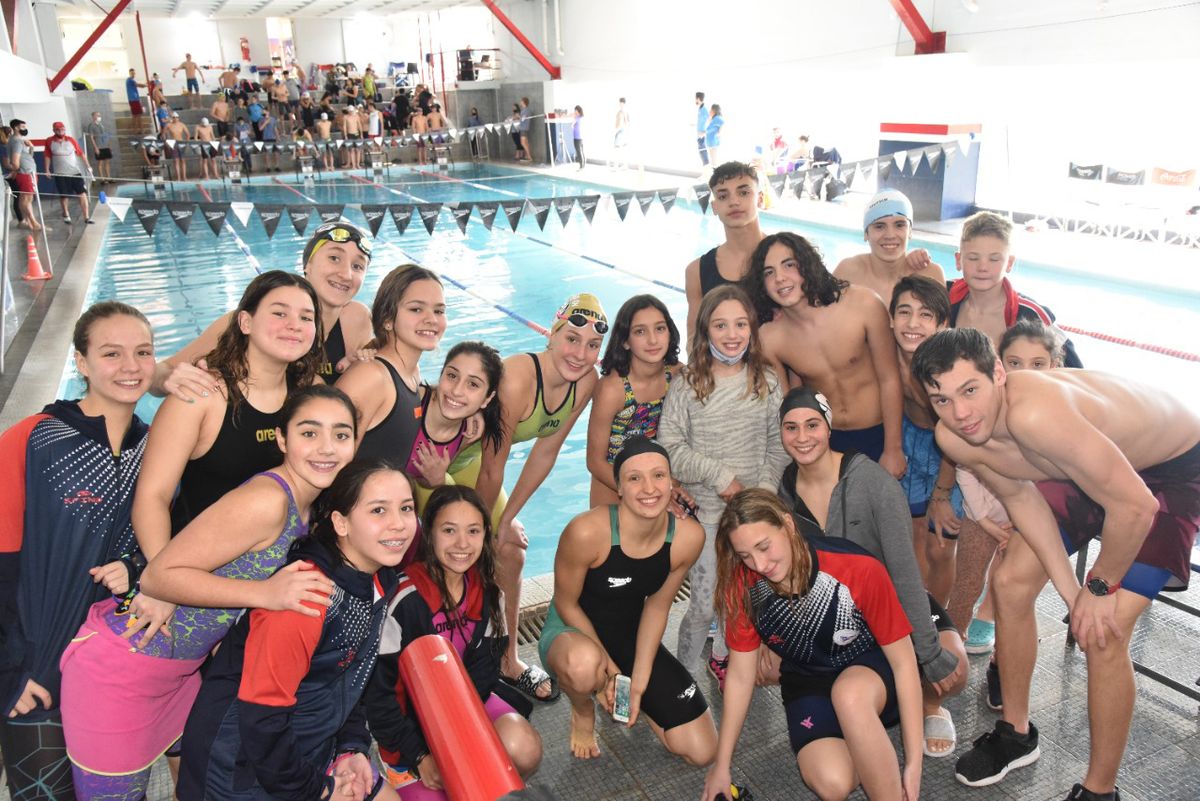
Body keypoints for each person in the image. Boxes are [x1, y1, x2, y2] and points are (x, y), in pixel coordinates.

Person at [910, 329, 1200, 800]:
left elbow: (1134, 506)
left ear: (999, 373)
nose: (960, 413)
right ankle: (1016, 735)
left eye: (970, 390)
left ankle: (1100, 790)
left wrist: (1099, 590)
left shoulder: (1036, 416)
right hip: (1088, 463)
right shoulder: (956, 438)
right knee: (1010, 583)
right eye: (942, 399)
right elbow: (1020, 499)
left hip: (1170, 469)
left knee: (1102, 632)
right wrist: (1072, 595)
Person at [62, 385, 356, 800]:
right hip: (123, 668)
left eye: (341, 435)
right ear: (282, 439)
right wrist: (264, 593)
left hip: (180, 676)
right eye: (309, 433)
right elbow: (159, 577)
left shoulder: (311, 508)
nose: (326, 447)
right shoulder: (267, 501)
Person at [175, 459, 415, 801]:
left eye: (406, 508)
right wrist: (317, 791)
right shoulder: (306, 598)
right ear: (341, 523)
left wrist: (351, 747)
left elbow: (351, 677)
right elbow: (262, 722)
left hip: (308, 750)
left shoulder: (377, 580)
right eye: (379, 510)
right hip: (239, 771)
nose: (399, 524)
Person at [0, 302, 155, 801]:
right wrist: (11, 671)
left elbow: (164, 548)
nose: (130, 366)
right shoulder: (33, 440)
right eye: (111, 353)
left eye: (143, 352)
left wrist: (133, 567)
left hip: (115, 673)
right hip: (40, 673)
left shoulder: (155, 449)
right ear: (81, 362)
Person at [129, 272, 323, 646]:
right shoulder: (202, 396)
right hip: (199, 574)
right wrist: (164, 578)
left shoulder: (311, 398)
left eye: (306, 317)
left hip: (275, 579)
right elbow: (153, 496)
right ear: (245, 322)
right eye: (279, 313)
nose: (294, 325)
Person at [775, 386, 968, 759]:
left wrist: (929, 653)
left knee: (953, 667)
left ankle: (929, 705)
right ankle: (863, 703)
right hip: (836, 616)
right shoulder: (784, 494)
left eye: (812, 425)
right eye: (791, 427)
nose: (802, 437)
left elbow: (904, 574)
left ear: (829, 427)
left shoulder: (873, 482)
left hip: (892, 599)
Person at [701, 490, 923, 801]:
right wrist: (722, 766)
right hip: (809, 678)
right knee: (832, 783)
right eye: (745, 556)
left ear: (788, 525)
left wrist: (913, 762)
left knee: (850, 695)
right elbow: (739, 676)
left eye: (764, 546)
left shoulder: (857, 567)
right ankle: (863, 743)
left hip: (871, 670)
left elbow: (904, 663)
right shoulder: (743, 586)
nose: (760, 564)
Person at [464, 293, 608, 702]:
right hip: (443, 465)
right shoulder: (518, 378)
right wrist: (484, 531)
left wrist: (506, 519)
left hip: (477, 469)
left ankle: (508, 660)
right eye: (572, 339)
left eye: (592, 345)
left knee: (511, 552)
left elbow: (546, 452)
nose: (580, 354)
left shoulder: (587, 382)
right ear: (552, 335)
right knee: (462, 555)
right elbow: (492, 466)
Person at [541, 438, 716, 762]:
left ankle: (631, 699)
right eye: (635, 478)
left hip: (629, 634)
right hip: (572, 631)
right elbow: (566, 604)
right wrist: (612, 672)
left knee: (702, 751)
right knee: (583, 667)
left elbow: (657, 606)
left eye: (658, 475)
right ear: (619, 487)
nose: (649, 488)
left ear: (671, 481)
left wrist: (638, 684)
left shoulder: (688, 537)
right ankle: (583, 710)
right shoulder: (587, 532)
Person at [367, 485, 542, 795]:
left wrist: (462, 743)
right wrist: (421, 755)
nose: (462, 543)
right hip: (408, 730)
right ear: (429, 534)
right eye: (449, 530)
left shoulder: (487, 594)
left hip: (467, 707)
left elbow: (485, 674)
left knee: (523, 747)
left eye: (473, 531)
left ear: (484, 536)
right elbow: (379, 697)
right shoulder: (403, 602)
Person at [657, 284, 789, 684]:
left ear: (752, 328)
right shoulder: (688, 384)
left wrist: (761, 493)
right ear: (705, 331)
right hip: (707, 516)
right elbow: (670, 447)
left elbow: (778, 444)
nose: (732, 334)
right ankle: (682, 676)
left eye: (740, 324)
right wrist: (720, 477)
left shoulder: (765, 380)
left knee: (742, 600)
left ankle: (722, 655)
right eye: (720, 325)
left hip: (752, 513)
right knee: (703, 604)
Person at [745, 232, 907, 478]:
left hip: (879, 431)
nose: (779, 278)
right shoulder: (770, 338)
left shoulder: (863, 304)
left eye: (789, 265)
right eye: (769, 272)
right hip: (825, 441)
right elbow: (790, 405)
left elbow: (890, 378)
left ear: (807, 265)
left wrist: (893, 448)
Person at [153, 221, 375, 398]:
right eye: (334, 258)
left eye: (357, 266)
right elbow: (160, 371)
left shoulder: (356, 319)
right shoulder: (252, 320)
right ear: (307, 264)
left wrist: (368, 358)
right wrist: (166, 380)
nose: (346, 274)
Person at [889, 276, 969, 603]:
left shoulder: (946, 368)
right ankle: (919, 613)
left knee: (940, 546)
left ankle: (939, 619)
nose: (913, 324)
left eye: (925, 315)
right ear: (891, 318)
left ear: (943, 324)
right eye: (904, 312)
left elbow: (956, 437)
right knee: (914, 536)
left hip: (952, 451)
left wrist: (942, 494)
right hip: (910, 438)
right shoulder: (887, 352)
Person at [338, 265, 446, 473]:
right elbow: (331, 461)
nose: (431, 319)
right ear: (387, 319)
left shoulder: (411, 373)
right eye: (416, 309)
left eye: (439, 311)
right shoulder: (371, 377)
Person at [949, 211, 1083, 368]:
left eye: (994, 259)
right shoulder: (943, 295)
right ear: (958, 260)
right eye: (973, 258)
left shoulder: (1032, 315)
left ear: (1009, 263)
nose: (982, 267)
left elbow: (1076, 371)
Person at [586, 294, 684, 507]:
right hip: (614, 485)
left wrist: (666, 486)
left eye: (660, 328)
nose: (653, 340)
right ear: (625, 341)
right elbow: (595, 462)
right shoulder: (613, 389)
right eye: (640, 331)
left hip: (660, 482)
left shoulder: (678, 375)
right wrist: (642, 489)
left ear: (670, 332)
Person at [403, 341, 502, 506]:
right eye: (452, 376)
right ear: (441, 375)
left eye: (473, 384)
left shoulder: (467, 434)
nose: (456, 391)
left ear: (487, 398)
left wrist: (436, 480)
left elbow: (420, 479)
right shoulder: (410, 401)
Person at [682, 161, 765, 343]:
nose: (734, 202)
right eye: (723, 196)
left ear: (760, 199)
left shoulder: (789, 256)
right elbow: (694, 340)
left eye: (743, 193)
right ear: (714, 207)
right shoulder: (697, 271)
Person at [834, 189, 946, 304]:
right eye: (879, 226)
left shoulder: (930, 275)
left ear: (910, 231)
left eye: (899, 225)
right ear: (866, 233)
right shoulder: (848, 272)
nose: (890, 235)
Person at [43, 122, 92, 225]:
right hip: (60, 173)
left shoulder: (71, 140)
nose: (61, 131)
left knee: (82, 193)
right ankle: (66, 213)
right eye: (58, 130)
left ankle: (86, 217)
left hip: (75, 172)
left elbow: (81, 154)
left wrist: (88, 166)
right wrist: (47, 169)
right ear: (54, 130)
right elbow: (47, 156)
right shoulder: (49, 141)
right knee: (64, 195)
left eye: (62, 129)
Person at [6, 119, 42, 232]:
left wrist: (31, 147)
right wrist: (15, 170)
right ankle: (33, 223)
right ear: (16, 128)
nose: (25, 129)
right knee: (26, 198)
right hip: (26, 173)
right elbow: (15, 162)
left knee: (25, 198)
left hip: (27, 171)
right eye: (22, 127)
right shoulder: (17, 142)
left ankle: (28, 222)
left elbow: (27, 157)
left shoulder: (17, 141)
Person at [85, 111, 113, 183]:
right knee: (101, 163)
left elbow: (105, 135)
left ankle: (109, 178)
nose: (99, 117)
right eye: (97, 115)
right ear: (93, 116)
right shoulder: (91, 126)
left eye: (99, 115)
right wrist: (96, 148)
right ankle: (102, 179)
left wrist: (109, 145)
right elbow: (92, 138)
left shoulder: (101, 125)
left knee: (107, 162)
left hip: (105, 145)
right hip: (99, 146)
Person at [162, 111, 191, 181]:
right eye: (174, 117)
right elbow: (163, 134)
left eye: (176, 117)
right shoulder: (169, 125)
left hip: (181, 143)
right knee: (176, 161)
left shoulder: (182, 125)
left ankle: (184, 177)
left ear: (178, 118)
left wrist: (186, 142)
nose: (175, 118)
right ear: (172, 118)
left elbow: (188, 134)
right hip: (173, 143)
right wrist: (166, 142)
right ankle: (178, 178)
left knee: (183, 160)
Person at [610, 97, 630, 170]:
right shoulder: (622, 112)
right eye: (620, 103)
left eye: (621, 103)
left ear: (623, 103)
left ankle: (617, 166)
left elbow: (624, 123)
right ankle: (624, 165)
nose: (620, 104)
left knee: (617, 149)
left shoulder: (623, 112)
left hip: (621, 131)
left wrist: (616, 131)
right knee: (621, 150)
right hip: (621, 131)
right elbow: (622, 122)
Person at [694, 91, 708, 167]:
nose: (695, 100)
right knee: (701, 152)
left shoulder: (704, 110)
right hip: (699, 134)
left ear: (698, 98)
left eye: (695, 98)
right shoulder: (700, 108)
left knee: (703, 152)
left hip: (702, 135)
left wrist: (704, 132)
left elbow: (710, 122)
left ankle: (707, 169)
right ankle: (706, 169)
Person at [518, 97, 532, 163]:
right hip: (525, 128)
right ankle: (527, 156)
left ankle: (529, 157)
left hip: (523, 128)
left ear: (523, 102)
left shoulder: (525, 110)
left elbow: (523, 119)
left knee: (523, 143)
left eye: (521, 101)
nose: (520, 102)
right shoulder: (525, 110)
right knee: (526, 143)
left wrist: (518, 116)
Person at [571, 105, 585, 170]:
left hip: (577, 137)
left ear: (578, 111)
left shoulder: (577, 118)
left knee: (579, 152)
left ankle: (581, 166)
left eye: (575, 111)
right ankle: (583, 165)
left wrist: (574, 117)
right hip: (581, 137)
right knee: (581, 151)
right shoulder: (582, 117)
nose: (574, 112)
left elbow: (572, 125)